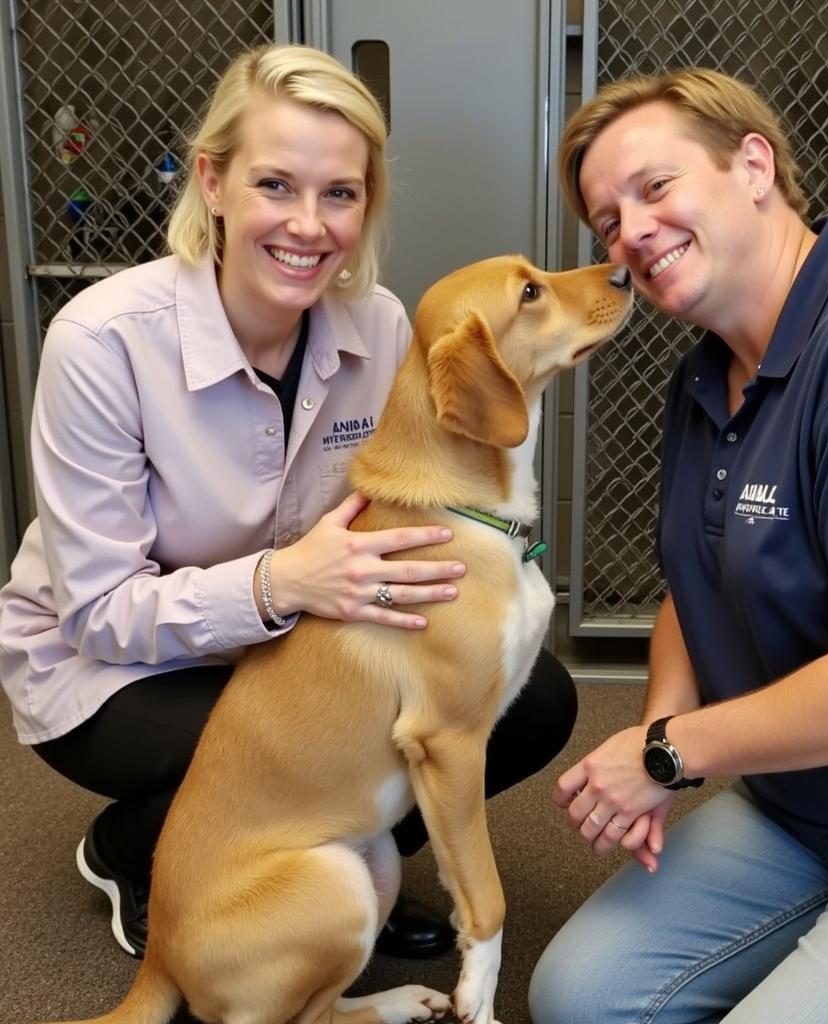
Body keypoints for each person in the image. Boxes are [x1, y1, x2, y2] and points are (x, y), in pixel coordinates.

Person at [0, 43, 576, 963]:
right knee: (277, 753)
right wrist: (278, 586)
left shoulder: (382, 324)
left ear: (366, 204)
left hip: (297, 645)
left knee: (532, 698)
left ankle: (341, 866)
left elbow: (418, 504)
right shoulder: (102, 342)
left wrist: (491, 583)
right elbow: (99, 612)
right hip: (109, 667)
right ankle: (139, 849)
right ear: (213, 183)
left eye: (339, 194)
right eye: (275, 184)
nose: (307, 226)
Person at [529, 68, 828, 1024]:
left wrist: (674, 752)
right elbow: (692, 586)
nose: (630, 232)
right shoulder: (706, 378)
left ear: (753, 164)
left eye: (655, 186)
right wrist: (654, 736)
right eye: (606, 219)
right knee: (582, 999)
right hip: (806, 807)